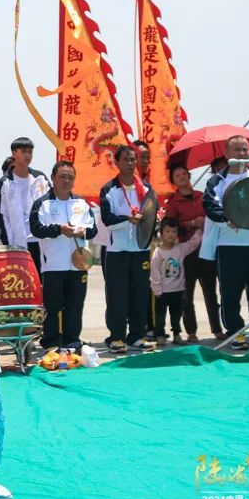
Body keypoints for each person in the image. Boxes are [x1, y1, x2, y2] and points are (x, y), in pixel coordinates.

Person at [201, 136, 249, 351]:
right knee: (230, 293)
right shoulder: (217, 181)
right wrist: (229, 219)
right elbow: (210, 206)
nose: (242, 154)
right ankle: (235, 332)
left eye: (245, 150)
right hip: (229, 247)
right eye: (237, 150)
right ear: (227, 153)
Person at [29, 160, 97, 352]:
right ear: (53, 178)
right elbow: (36, 229)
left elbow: (93, 230)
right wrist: (59, 229)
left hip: (78, 265)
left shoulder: (81, 204)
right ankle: (50, 341)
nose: (66, 181)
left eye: (70, 177)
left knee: (75, 305)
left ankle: (72, 340)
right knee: (53, 306)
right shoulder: (42, 204)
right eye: (62, 176)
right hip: (53, 265)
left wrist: (82, 230)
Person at [99, 145, 156, 353]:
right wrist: (127, 220)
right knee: (117, 295)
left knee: (140, 293)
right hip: (118, 250)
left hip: (140, 248)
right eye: (126, 159)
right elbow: (107, 219)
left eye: (134, 159)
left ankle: (137, 336)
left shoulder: (147, 189)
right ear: (117, 162)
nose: (131, 163)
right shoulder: (109, 189)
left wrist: (154, 218)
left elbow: (151, 213)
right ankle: (116, 337)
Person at [163, 164, 215, 342]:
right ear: (173, 181)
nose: (182, 177)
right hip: (185, 253)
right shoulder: (173, 203)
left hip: (206, 250)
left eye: (184, 174)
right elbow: (169, 228)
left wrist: (204, 222)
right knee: (186, 295)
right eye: (177, 175)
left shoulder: (202, 197)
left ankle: (217, 329)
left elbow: (214, 217)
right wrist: (192, 223)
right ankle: (191, 331)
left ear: (189, 176)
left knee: (211, 292)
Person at [0, 137, 51, 274]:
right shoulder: (5, 182)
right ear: (14, 153)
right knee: (22, 281)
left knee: (41, 280)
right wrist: (9, 244)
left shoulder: (40, 178)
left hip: (41, 240)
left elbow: (51, 204)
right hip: (18, 242)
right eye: (23, 151)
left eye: (30, 152)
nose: (27, 155)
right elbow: (2, 215)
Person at [150, 218, 203, 346]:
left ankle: (177, 334)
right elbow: (155, 272)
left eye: (174, 232)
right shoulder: (158, 253)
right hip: (162, 292)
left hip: (178, 291)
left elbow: (193, 244)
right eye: (167, 231)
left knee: (176, 315)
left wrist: (200, 231)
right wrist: (157, 289)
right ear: (162, 233)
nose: (171, 234)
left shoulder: (180, 249)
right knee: (160, 316)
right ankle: (160, 335)